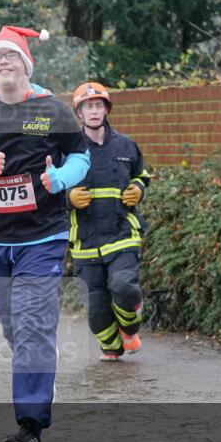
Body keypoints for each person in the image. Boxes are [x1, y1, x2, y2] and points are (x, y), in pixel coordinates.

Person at [0, 26, 90, 442]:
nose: (2, 63)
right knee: (15, 327)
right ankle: (38, 356)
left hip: (43, 236)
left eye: (10, 57)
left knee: (30, 327)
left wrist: (61, 178)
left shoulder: (52, 109)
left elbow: (81, 156)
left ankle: (30, 427)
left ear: (26, 65)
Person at [67, 82, 151, 361]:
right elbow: (48, 188)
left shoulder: (126, 145)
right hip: (86, 244)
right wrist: (67, 197)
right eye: (87, 106)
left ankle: (129, 329)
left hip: (122, 234)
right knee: (97, 312)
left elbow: (142, 175)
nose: (93, 110)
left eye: (98, 105)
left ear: (106, 109)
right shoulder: (68, 151)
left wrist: (138, 189)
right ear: (79, 113)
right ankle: (112, 347)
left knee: (124, 286)